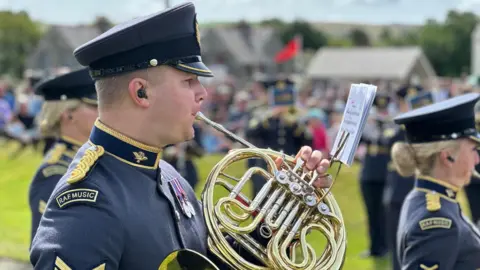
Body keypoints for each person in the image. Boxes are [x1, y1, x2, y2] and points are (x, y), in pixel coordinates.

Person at [29, 3, 333, 269]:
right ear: (141, 92)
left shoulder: (170, 178)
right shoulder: (89, 205)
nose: (202, 94)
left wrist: (280, 218)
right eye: (188, 81)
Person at [393, 93, 480, 269]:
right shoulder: (436, 221)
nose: (477, 159)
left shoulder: (430, 199)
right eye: (473, 150)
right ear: (448, 157)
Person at [28, 68, 98, 244]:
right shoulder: (55, 171)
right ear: (68, 114)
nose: (101, 111)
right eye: (93, 105)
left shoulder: (89, 156)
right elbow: (49, 247)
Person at [382, 86, 433, 270]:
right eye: (407, 103)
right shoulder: (395, 126)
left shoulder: (430, 128)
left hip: (424, 193)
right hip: (398, 192)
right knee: (398, 245)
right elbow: (388, 142)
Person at [246, 78, 313, 197]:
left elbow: (308, 140)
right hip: (266, 164)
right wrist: (270, 115)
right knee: (262, 198)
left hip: (290, 166)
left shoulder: (299, 115)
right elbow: (250, 133)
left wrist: (297, 123)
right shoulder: (261, 113)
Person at [357, 92, 391, 258]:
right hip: (369, 174)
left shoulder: (392, 124)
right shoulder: (367, 124)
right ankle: (374, 247)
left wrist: (384, 125)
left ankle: (385, 246)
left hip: (385, 173)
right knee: (371, 212)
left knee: (384, 213)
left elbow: (389, 141)